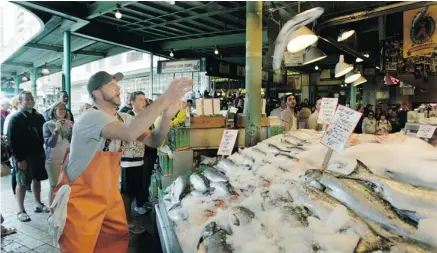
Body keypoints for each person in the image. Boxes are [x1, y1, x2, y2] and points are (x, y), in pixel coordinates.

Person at [49, 71, 192, 252]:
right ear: (97, 94)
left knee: (113, 247)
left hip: (109, 197)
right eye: (111, 84)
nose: (118, 87)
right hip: (81, 201)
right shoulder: (91, 117)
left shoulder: (124, 119)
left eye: (116, 83)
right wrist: (166, 97)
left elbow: (154, 141)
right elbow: (130, 133)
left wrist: (166, 117)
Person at [7, 91, 49, 222]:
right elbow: (12, 140)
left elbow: (44, 134)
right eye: (27, 99)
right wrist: (19, 158)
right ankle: (21, 210)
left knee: (37, 179)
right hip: (24, 156)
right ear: (20, 102)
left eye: (31, 98)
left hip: (38, 153)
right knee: (22, 183)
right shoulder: (16, 118)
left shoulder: (38, 116)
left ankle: (38, 203)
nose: (30, 101)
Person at [120, 91, 148, 234]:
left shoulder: (141, 117)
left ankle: (127, 219)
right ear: (132, 102)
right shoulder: (127, 117)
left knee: (134, 190)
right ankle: (127, 222)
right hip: (128, 160)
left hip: (139, 159)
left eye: (144, 100)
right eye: (140, 100)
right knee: (127, 193)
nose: (143, 102)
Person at [43, 102, 73, 207]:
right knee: (54, 185)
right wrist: (56, 130)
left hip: (67, 158)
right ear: (54, 111)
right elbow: (50, 143)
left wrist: (71, 128)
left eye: (64, 109)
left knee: (66, 185)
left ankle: (62, 208)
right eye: (59, 109)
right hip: (53, 159)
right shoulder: (47, 125)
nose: (62, 111)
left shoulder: (69, 124)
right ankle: (52, 210)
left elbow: (72, 141)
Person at [3, 96, 19, 195]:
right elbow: (6, 132)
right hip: (12, 145)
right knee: (16, 168)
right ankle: (15, 189)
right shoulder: (12, 116)